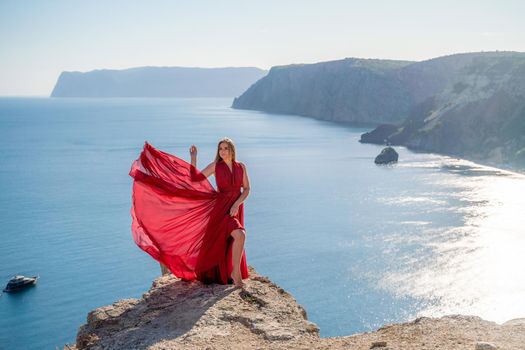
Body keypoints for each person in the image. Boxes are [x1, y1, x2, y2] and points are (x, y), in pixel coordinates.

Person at [129, 138, 250, 287]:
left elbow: (246, 189)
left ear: (232, 150)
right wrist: (193, 159)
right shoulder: (215, 166)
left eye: (225, 148)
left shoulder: (241, 167)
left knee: (230, 240)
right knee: (240, 235)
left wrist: (237, 204)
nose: (223, 151)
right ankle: (235, 274)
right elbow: (194, 179)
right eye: (220, 149)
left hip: (235, 207)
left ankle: (228, 271)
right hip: (221, 209)